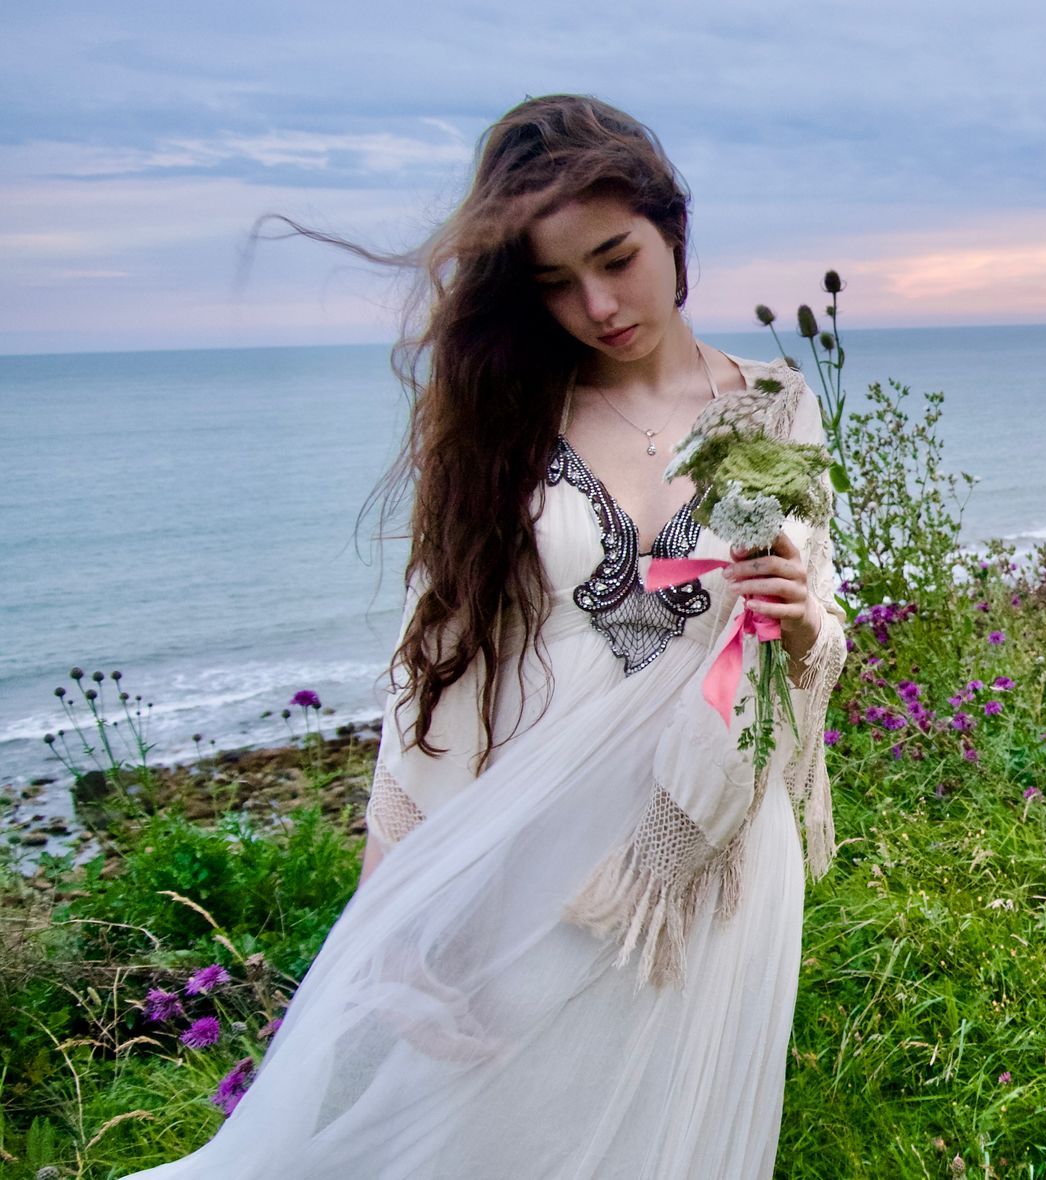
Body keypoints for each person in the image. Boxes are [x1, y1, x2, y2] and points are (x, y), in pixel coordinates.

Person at [127, 95, 848, 1178]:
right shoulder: (507, 420)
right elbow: (439, 666)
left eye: (617, 257)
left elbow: (810, 632)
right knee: (482, 1135)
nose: (599, 304)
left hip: (708, 866)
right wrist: (400, 915)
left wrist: (801, 620)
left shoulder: (776, 408)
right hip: (536, 865)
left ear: (672, 229)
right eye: (557, 282)